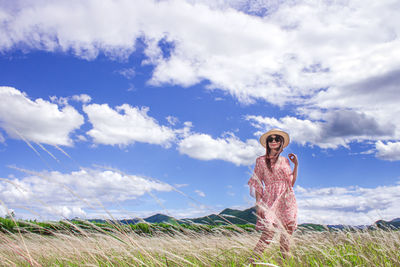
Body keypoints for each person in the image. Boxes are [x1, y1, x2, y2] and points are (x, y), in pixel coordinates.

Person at [247, 129, 298, 262]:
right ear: (267, 143)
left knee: (287, 235)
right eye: (271, 139)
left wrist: (296, 165)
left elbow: (290, 183)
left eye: (277, 139)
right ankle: (252, 262)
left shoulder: (286, 161)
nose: (274, 141)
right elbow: (257, 182)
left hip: (287, 198)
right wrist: (258, 204)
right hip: (270, 197)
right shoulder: (261, 161)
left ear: (281, 143)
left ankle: (283, 264)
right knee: (268, 233)